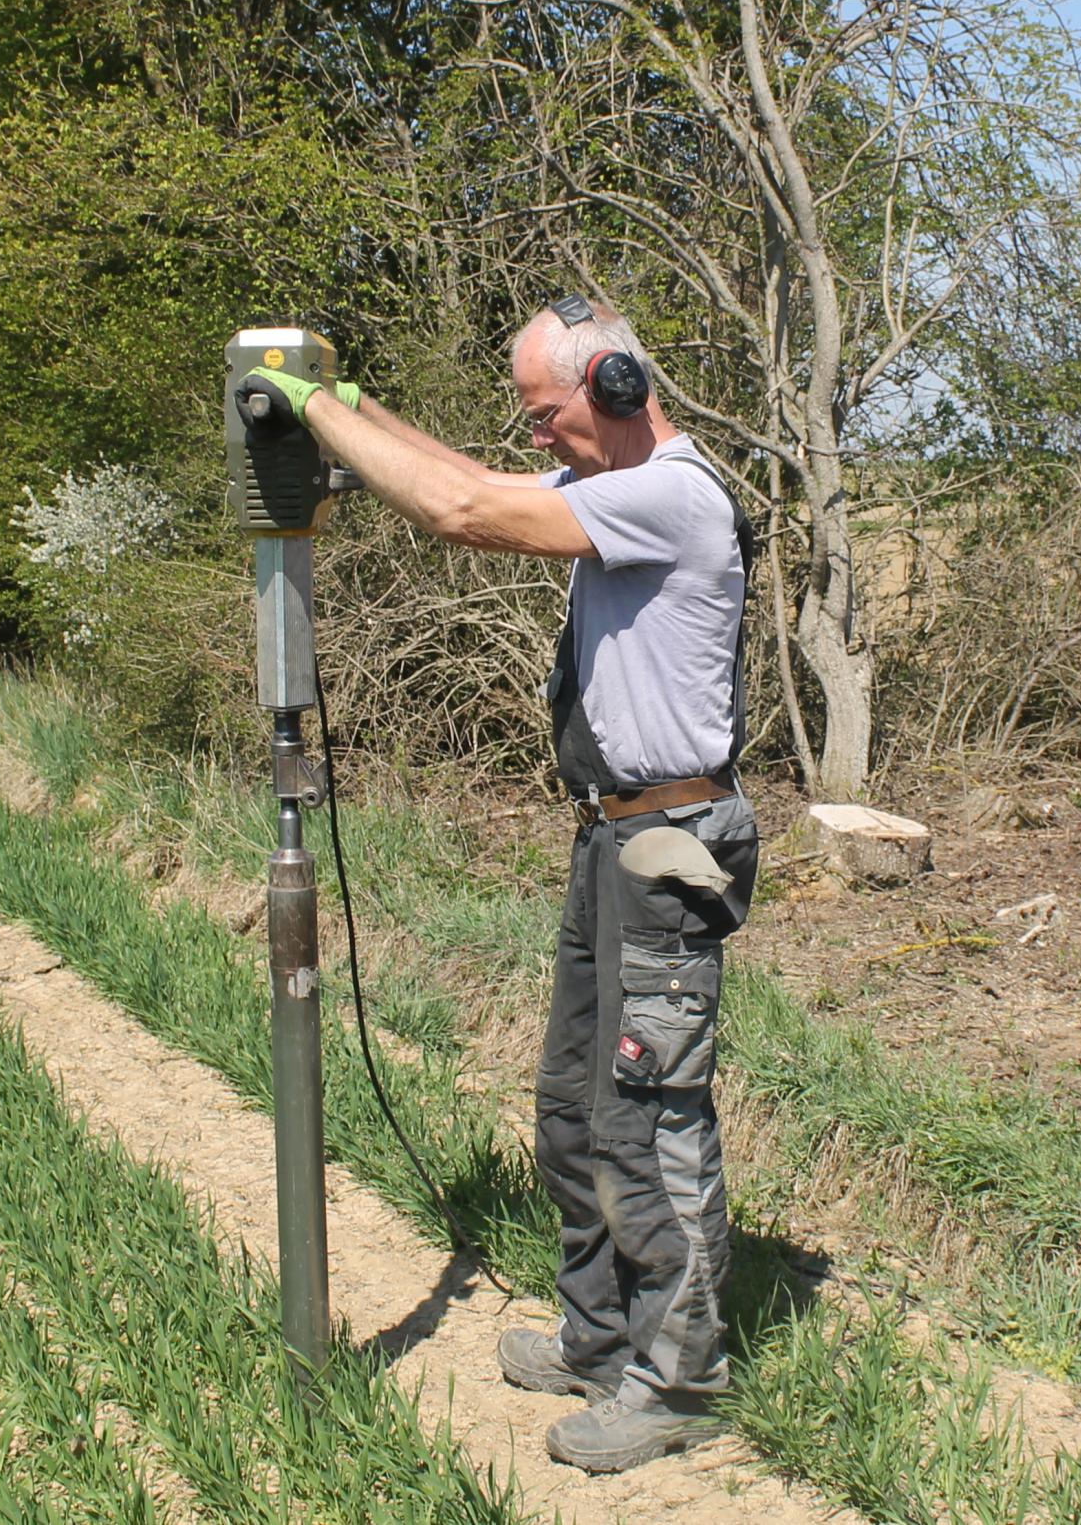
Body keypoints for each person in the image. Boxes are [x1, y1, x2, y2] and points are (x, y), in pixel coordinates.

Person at [248, 297, 753, 1476]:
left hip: (669, 842)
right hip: (609, 837)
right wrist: (356, 402)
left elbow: (462, 510)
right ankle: (599, 1337)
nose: (535, 438)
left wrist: (305, 407)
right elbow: (474, 472)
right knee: (575, 1107)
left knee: (648, 1114)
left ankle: (679, 1380)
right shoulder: (611, 487)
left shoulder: (672, 493)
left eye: (547, 413)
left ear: (618, 387)